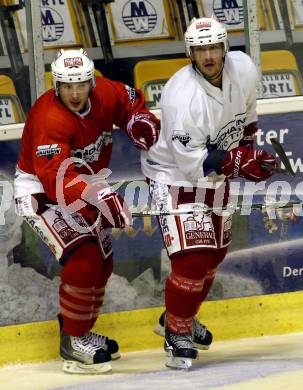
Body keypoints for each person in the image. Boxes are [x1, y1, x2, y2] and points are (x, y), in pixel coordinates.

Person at [141, 17, 276, 369]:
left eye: (214, 47)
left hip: (213, 171)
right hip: (174, 175)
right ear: (190, 53)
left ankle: (175, 317)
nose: (208, 56)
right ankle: (177, 332)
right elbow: (193, 164)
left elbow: (246, 117)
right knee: (193, 257)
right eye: (200, 49)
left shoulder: (243, 68)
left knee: (215, 254)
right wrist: (237, 163)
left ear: (224, 48)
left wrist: (247, 152)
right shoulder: (181, 96)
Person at [14, 48, 160, 374]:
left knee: (104, 265)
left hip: (86, 187)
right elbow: (55, 180)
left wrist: (141, 120)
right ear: (57, 87)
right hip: (41, 192)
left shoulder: (105, 91)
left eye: (81, 84)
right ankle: (72, 342)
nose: (76, 93)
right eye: (67, 86)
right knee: (85, 256)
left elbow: (130, 102)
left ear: (91, 81)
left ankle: (81, 332)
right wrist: (100, 196)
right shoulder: (48, 117)